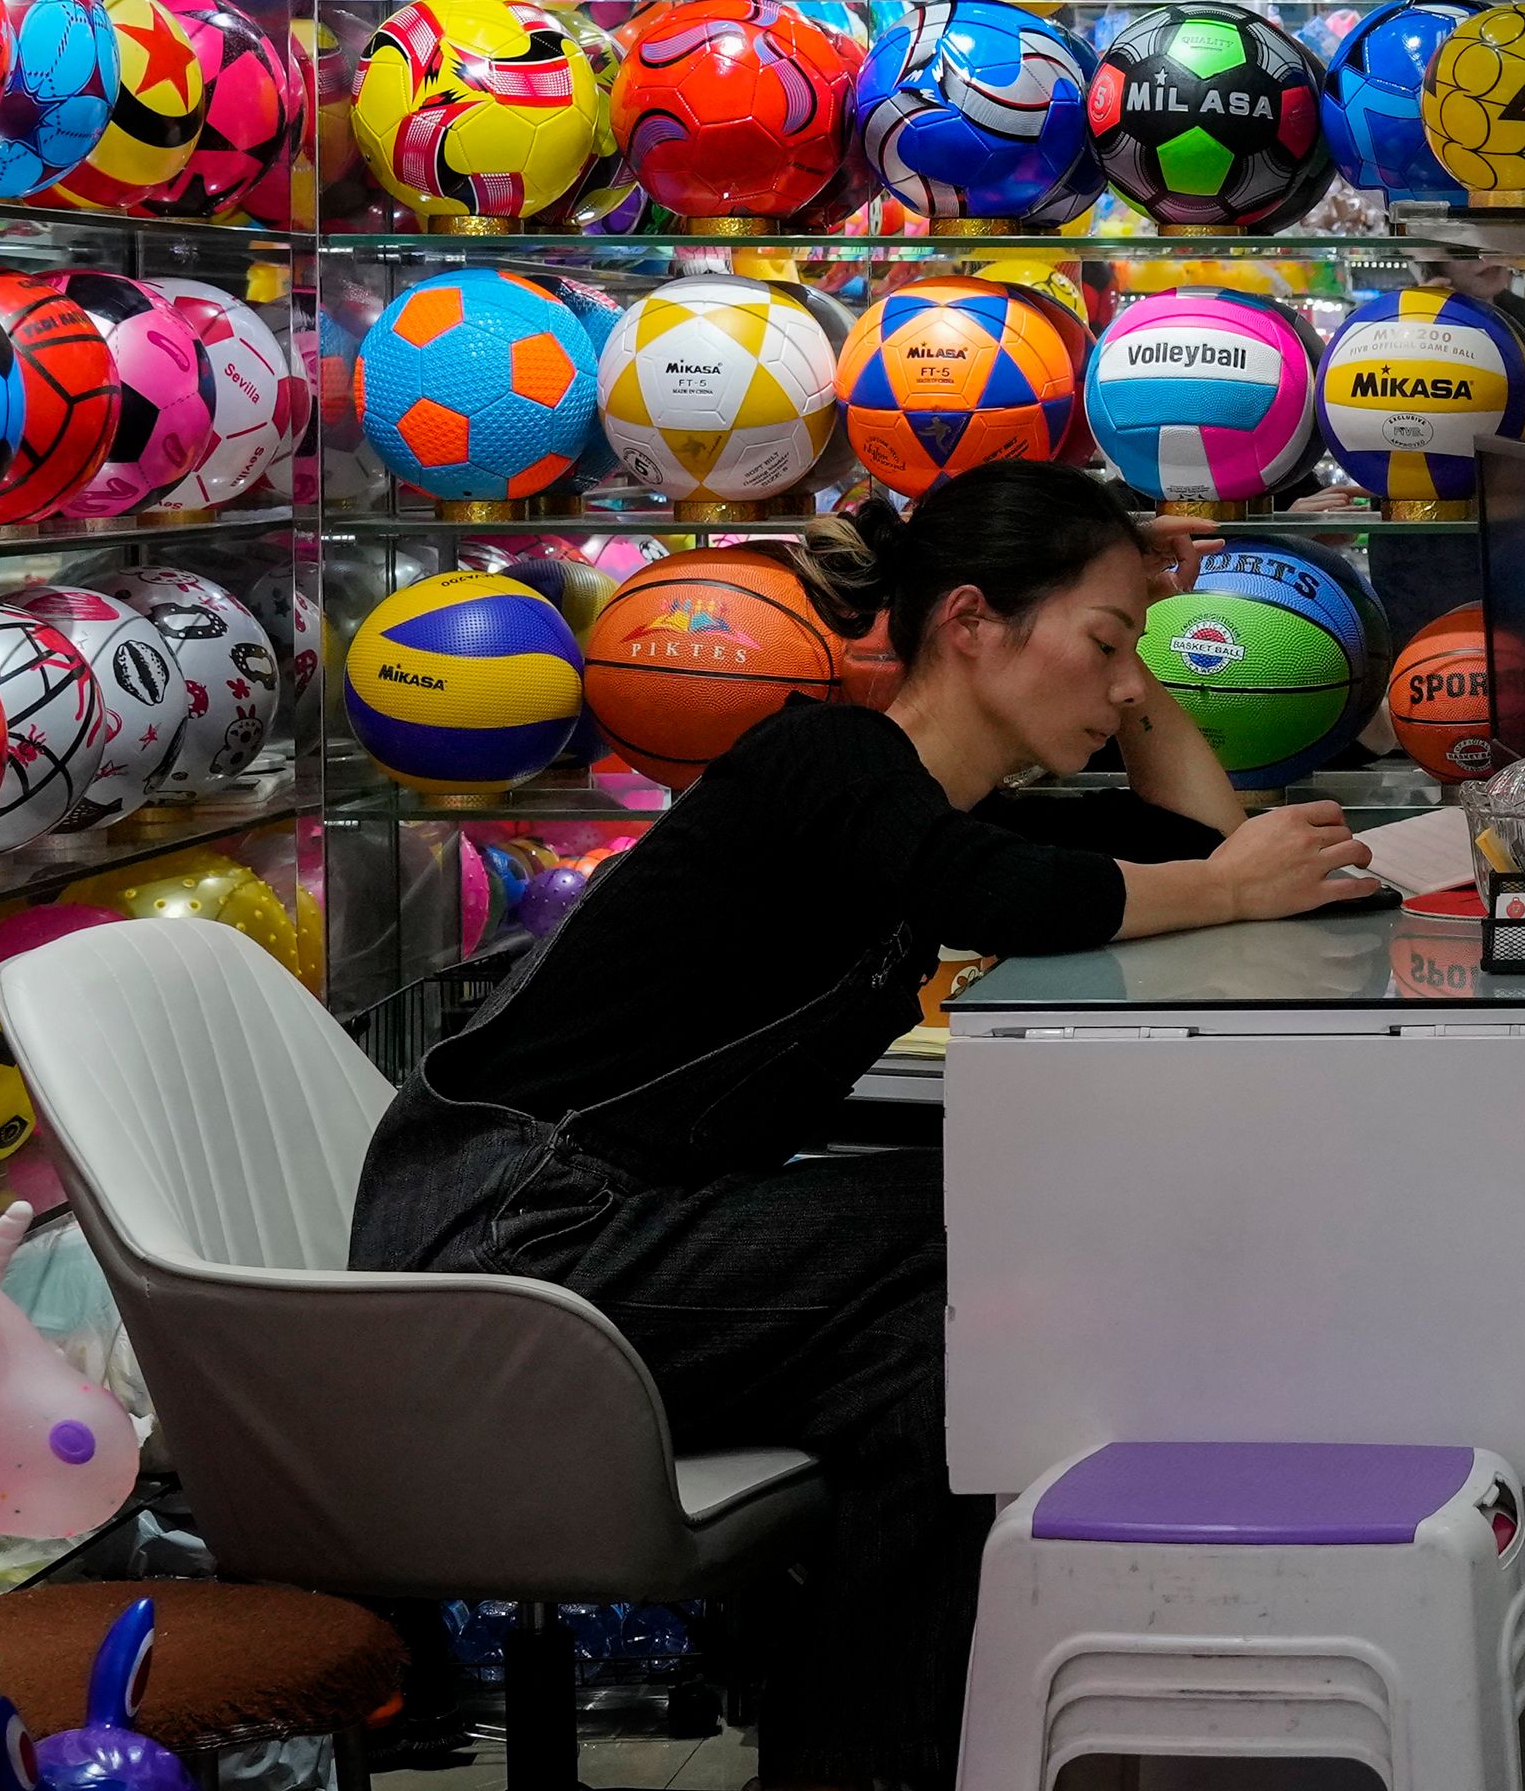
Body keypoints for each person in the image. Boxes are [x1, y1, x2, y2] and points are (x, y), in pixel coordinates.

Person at [348, 461, 1385, 1788]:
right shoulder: (821, 762)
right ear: (970, 623)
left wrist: (1143, 645)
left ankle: (864, 1764)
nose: (1127, 685)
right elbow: (1018, 894)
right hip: (503, 1240)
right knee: (993, 1232)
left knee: (934, 1382)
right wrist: (1233, 896)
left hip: (608, 1239)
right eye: (1105, 645)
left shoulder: (931, 812)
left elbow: (1192, 842)